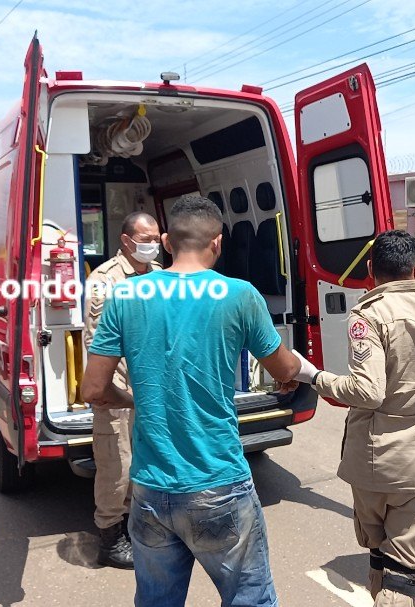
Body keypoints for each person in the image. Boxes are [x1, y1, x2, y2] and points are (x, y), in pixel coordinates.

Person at [80, 194, 303, 606]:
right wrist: (290, 374)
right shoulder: (239, 295)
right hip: (217, 481)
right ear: (217, 243)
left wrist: (134, 401)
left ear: (166, 241)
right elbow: (285, 370)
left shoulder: (125, 296)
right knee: (248, 598)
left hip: (149, 487)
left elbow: (92, 390)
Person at [293, 230, 415, 607]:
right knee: (405, 567)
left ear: (371, 269)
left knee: (378, 553)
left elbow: (368, 391)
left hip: (374, 460)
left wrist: (314, 376)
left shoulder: (369, 316)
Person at [83, 211, 162, 569]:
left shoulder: (160, 275)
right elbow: (98, 343)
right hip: (119, 387)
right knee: (117, 463)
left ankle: (137, 527)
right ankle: (110, 537)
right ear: (127, 241)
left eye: (157, 237)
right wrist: (114, 397)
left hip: (153, 385)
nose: (153, 244)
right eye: (146, 239)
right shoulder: (105, 280)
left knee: (148, 458)